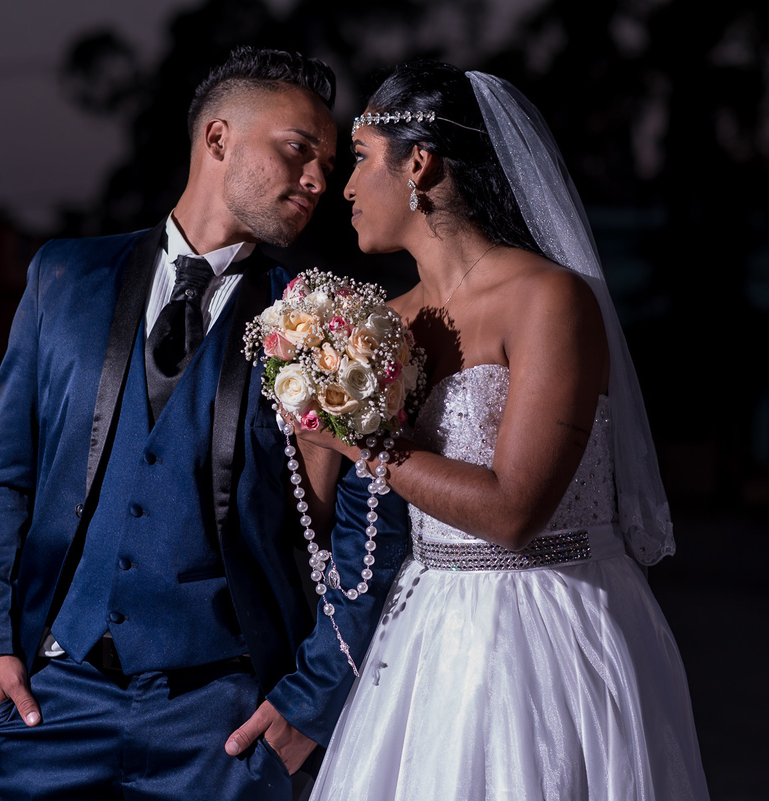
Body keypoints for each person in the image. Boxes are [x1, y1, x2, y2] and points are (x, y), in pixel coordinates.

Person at [0, 47, 409, 801]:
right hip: (52, 704)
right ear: (219, 140)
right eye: (299, 151)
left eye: (327, 165)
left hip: (225, 726)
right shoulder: (63, 278)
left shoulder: (329, 322)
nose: (318, 181)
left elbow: (373, 533)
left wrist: (312, 699)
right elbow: (6, 471)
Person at [295, 62, 711, 799]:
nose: (345, 188)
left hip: (550, 624)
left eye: (360, 160)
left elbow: (514, 510)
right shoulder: (382, 324)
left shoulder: (548, 299)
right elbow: (324, 516)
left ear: (418, 163)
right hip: (426, 632)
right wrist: (304, 393)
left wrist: (357, 438)